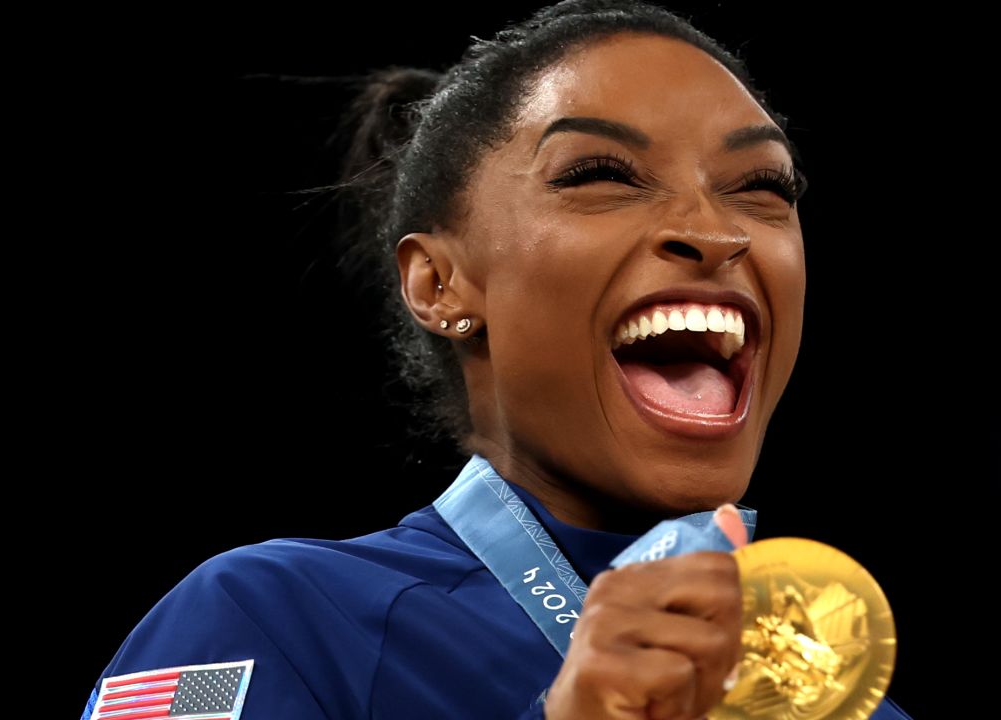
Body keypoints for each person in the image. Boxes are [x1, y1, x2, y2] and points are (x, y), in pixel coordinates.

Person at [80, 1, 912, 718]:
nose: (718, 230)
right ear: (440, 283)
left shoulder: (841, 700)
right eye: (602, 173)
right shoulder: (256, 622)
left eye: (762, 187)